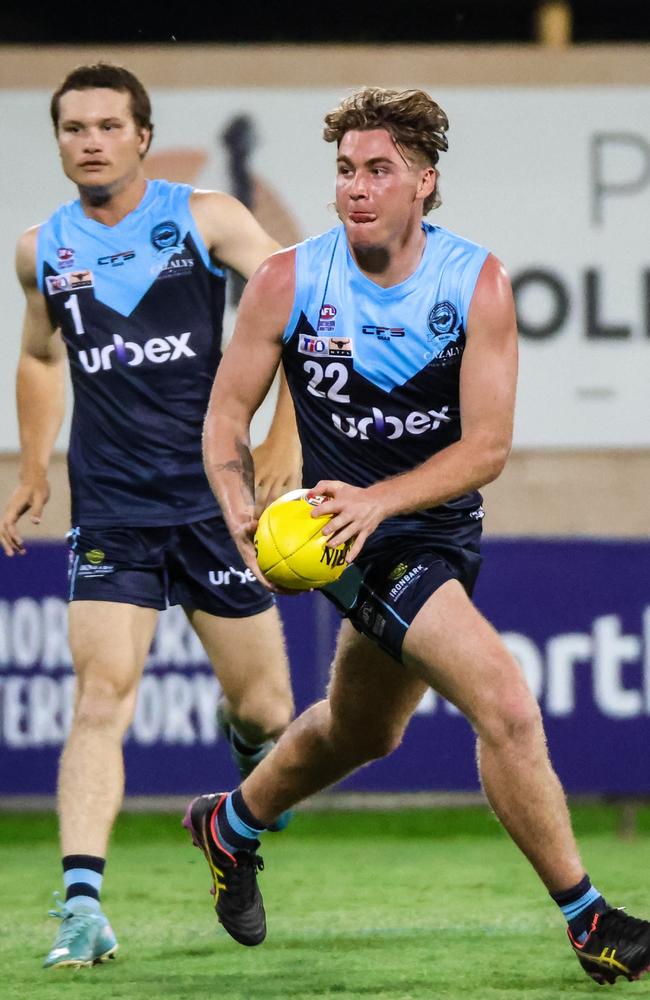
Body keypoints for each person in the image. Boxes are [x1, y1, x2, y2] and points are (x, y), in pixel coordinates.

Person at [184, 86, 650, 983]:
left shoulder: (476, 281)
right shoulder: (288, 278)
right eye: (346, 171)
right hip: (343, 537)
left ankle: (229, 824)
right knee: (506, 706)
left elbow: (486, 448)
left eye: (378, 171)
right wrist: (241, 506)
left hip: (428, 527)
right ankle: (591, 922)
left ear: (423, 184)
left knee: (364, 732)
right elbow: (224, 417)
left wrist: (384, 501)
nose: (356, 188)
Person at [0, 62, 301, 969]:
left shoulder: (204, 218)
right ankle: (82, 906)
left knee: (271, 710)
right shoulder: (38, 249)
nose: (88, 141)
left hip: (216, 507)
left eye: (105, 125)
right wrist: (31, 463)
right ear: (58, 141)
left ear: (140, 133)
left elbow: (295, 305)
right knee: (100, 701)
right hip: (114, 513)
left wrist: (284, 438)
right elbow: (41, 357)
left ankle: (243, 760)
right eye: (72, 128)